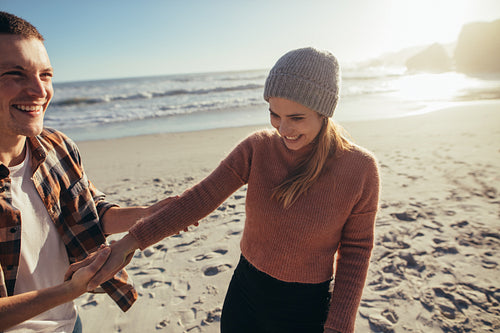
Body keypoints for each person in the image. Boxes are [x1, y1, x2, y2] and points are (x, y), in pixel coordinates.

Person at [87, 47, 380, 333]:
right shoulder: (258, 148)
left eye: (296, 118)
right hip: (245, 294)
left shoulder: (360, 169)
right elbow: (200, 198)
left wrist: (340, 325)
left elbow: (356, 251)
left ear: (324, 112)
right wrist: (128, 243)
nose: (283, 129)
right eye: (274, 114)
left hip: (304, 309)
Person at [0, 11, 154, 332]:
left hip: (69, 324)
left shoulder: (56, 145)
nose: (40, 91)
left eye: (46, 74)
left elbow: (90, 210)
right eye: (16, 74)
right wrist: (73, 288)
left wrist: (151, 214)